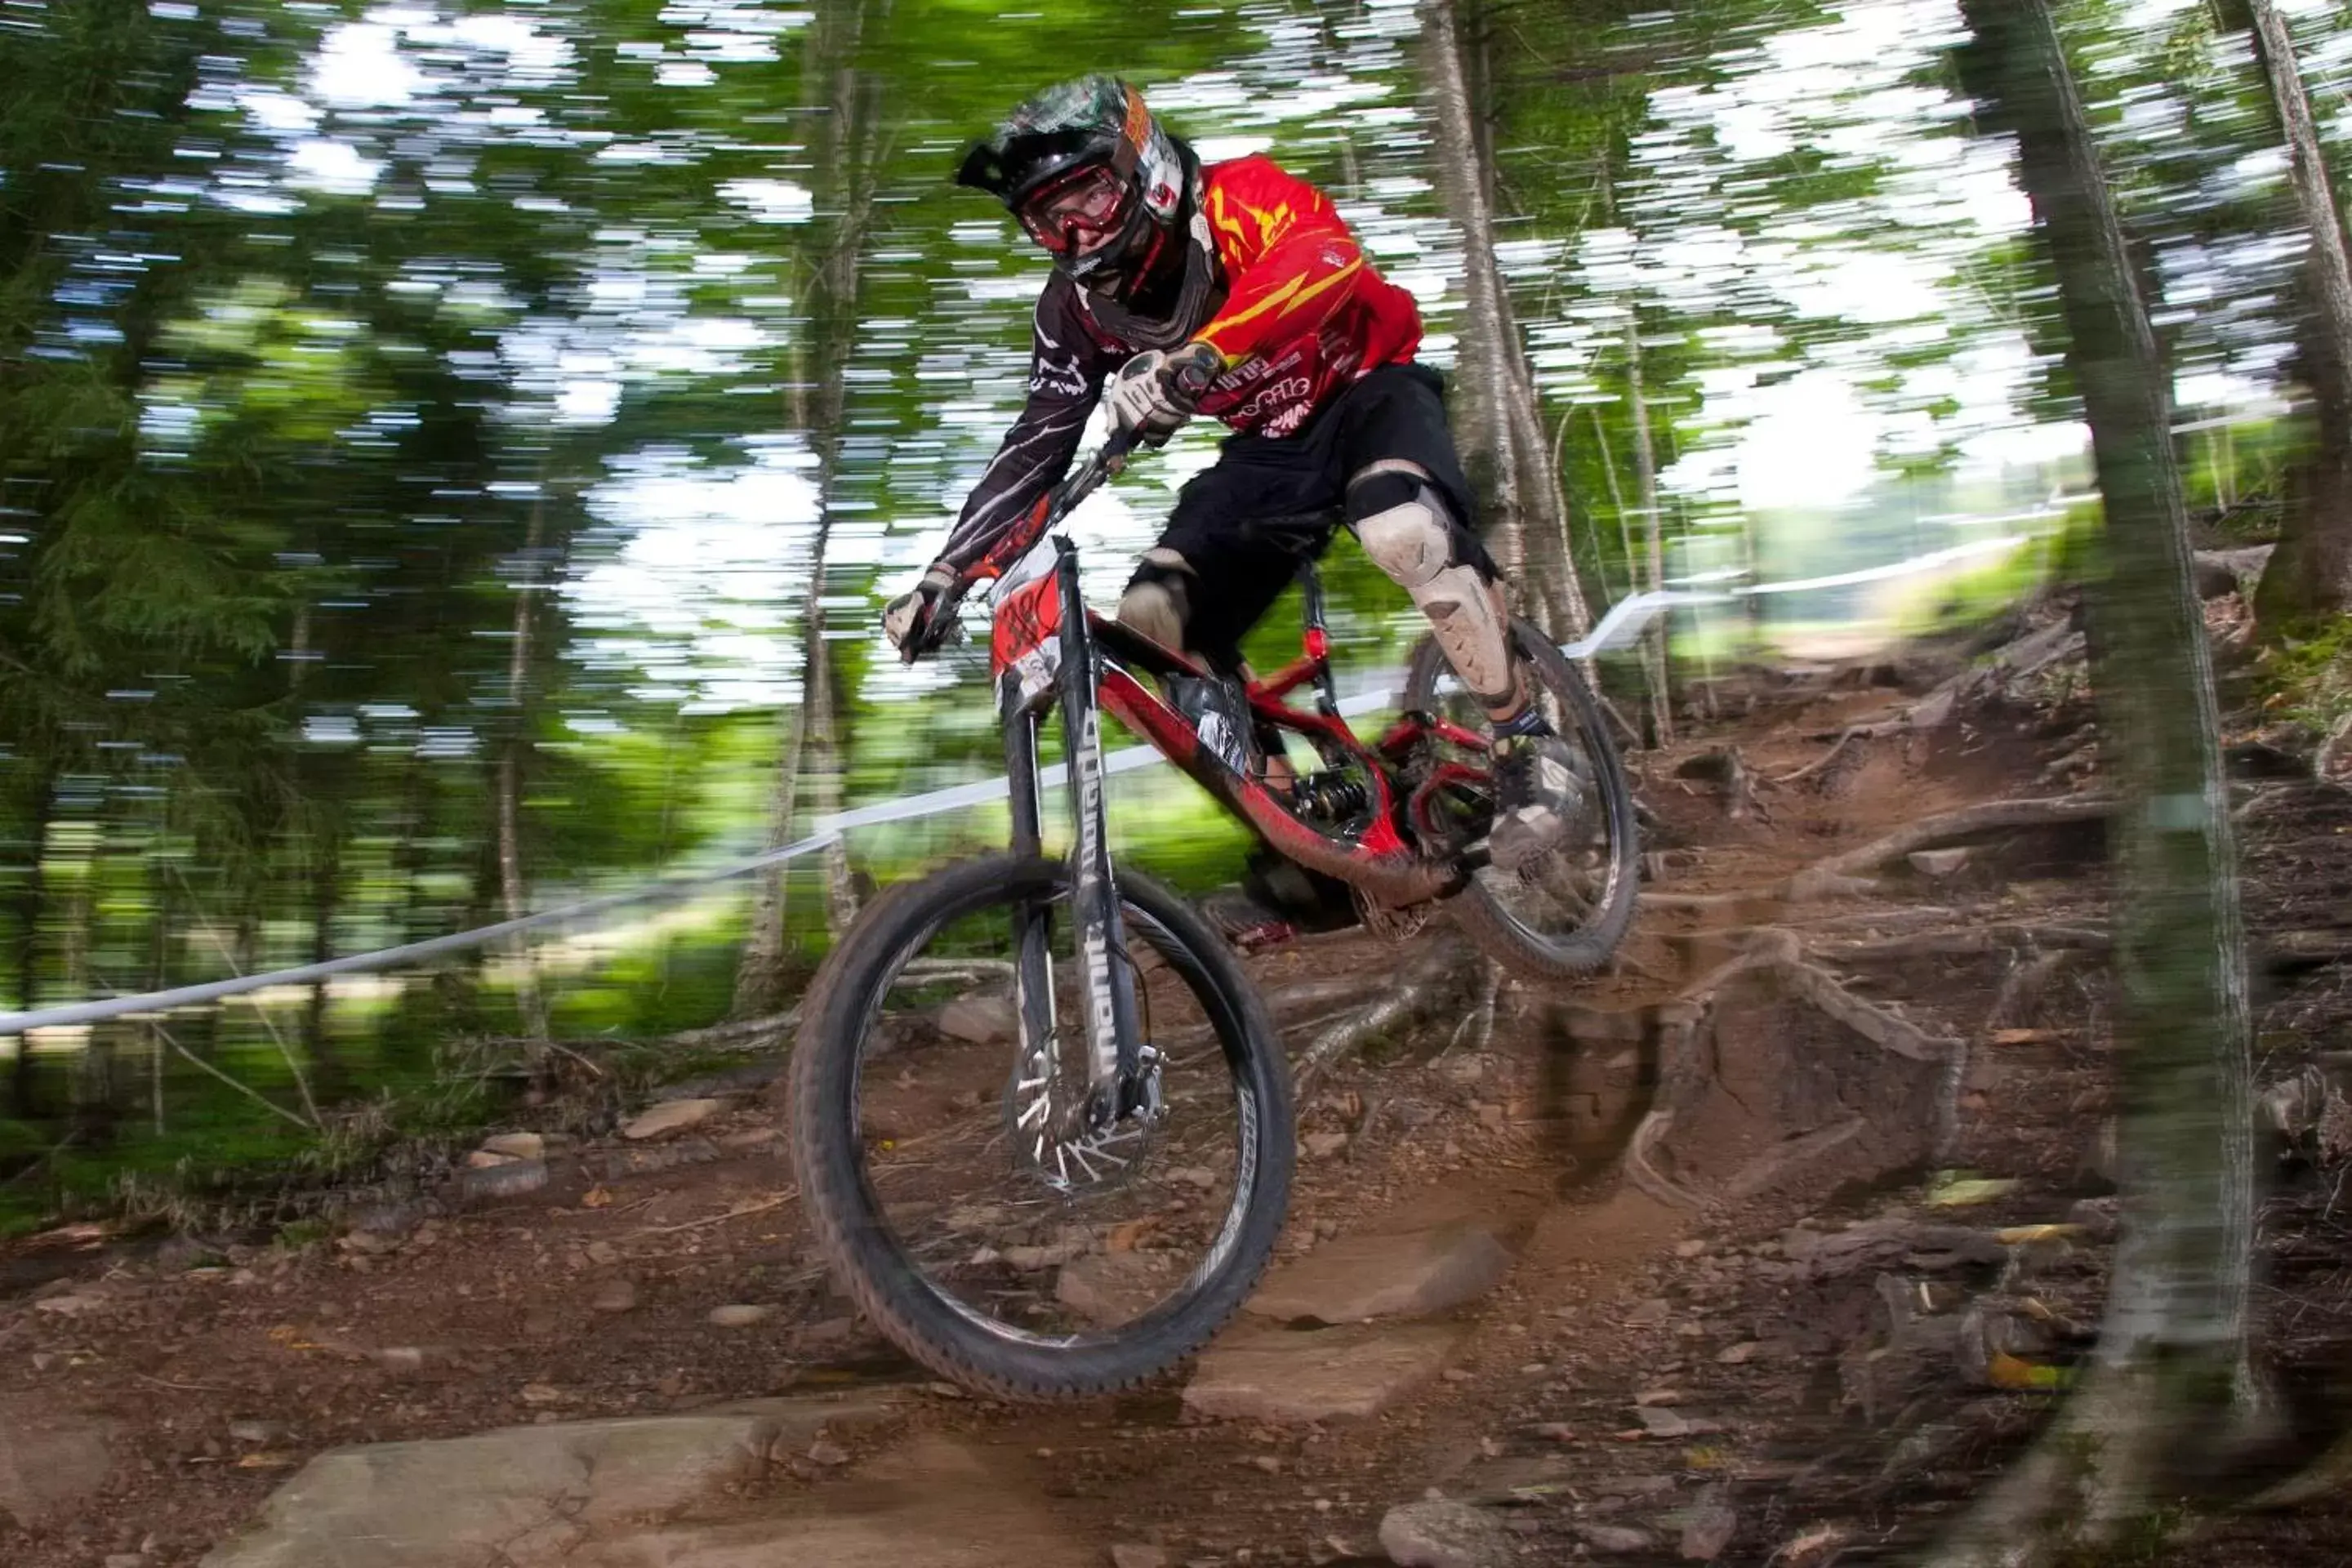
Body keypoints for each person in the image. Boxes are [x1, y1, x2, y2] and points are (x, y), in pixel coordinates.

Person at [881, 74, 1581, 871]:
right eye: (1049, 219)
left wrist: (1202, 354)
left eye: (1089, 200)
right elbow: (1037, 443)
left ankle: (1530, 745)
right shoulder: (1073, 312)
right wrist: (947, 576)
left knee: (1404, 529)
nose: (1075, 234)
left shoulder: (1238, 197)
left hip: (1369, 390)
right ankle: (1306, 843)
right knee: (1154, 619)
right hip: (1269, 448)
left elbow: (1327, 258)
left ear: (1144, 169)